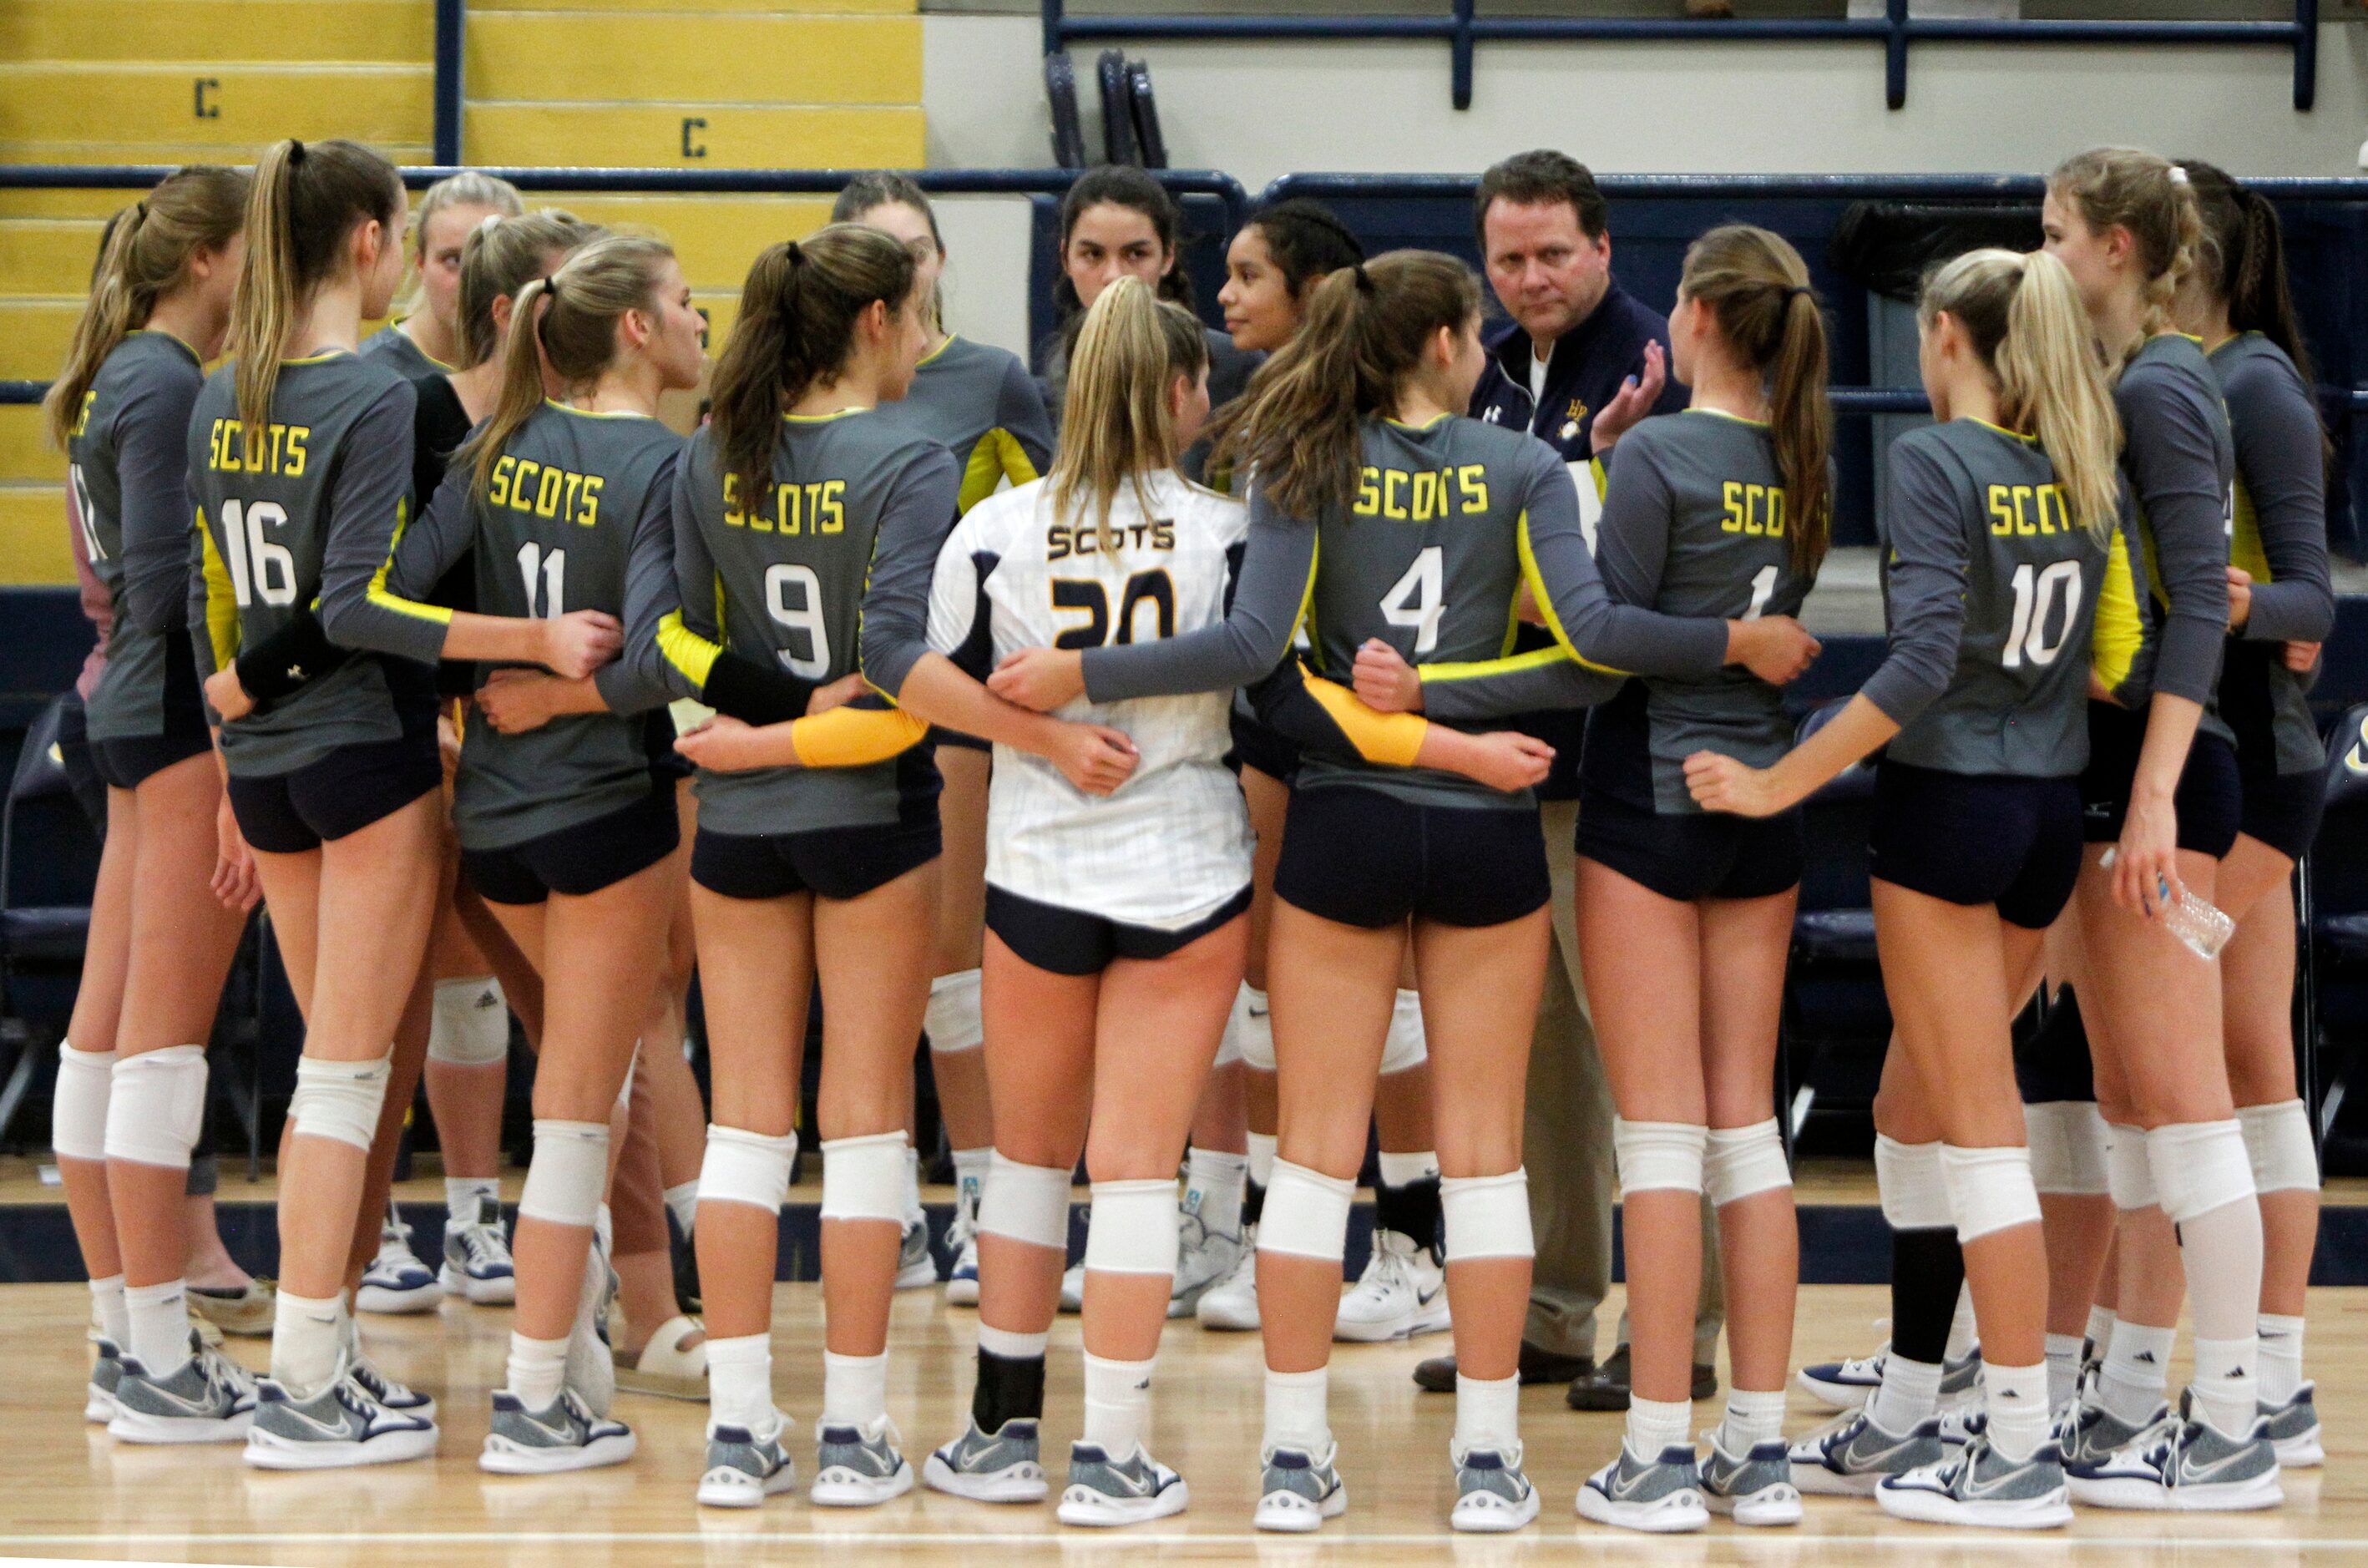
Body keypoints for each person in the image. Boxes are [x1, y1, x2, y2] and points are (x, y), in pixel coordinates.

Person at [990, 248, 1815, 1533]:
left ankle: (1295, 1456)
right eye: (1475, 324)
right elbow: (1591, 658)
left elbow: (1260, 657)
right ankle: (1489, 1461)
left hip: (1343, 826)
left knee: (1318, 1159)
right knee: (1484, 1163)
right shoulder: (1529, 466)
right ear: (1437, 342)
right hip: (1487, 829)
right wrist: (1461, 717)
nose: (1487, 341)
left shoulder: (1300, 455)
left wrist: (1099, 674)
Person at [1365, 225, 1829, 1530]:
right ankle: (1762, 1446)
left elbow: (1601, 646)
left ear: (1690, 317)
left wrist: (1438, 691)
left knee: (1662, 1134)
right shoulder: (1803, 455)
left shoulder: (1667, 449)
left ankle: (1663, 1452)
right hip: (1762, 806)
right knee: (1748, 1131)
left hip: (1649, 800)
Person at [1694, 245, 2123, 1525]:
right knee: (1914, 1102)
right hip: (2049, 808)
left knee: (1977, 1121)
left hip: (1951, 815)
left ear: (1942, 332)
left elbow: (1928, 658)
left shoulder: (1938, 460)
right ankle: (1907, 1405)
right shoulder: (2078, 461)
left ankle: (2019, 1441)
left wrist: (1784, 781)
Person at [328, 232, 704, 1472]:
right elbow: (655, 661)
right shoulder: (669, 464)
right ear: (636, 332)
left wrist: (505, 658)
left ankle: (579, 1363)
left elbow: (384, 601)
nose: (703, 321)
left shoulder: (493, 446)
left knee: (574, 1091)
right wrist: (558, 684)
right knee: (581, 1112)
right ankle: (537, 1398)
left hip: (488, 826)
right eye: (688, 304)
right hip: (607, 812)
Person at [645, 224, 959, 1510]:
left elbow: (668, 637)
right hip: (869, 807)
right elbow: (898, 679)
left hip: (738, 818)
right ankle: (855, 1433)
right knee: (867, 1122)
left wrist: (746, 733)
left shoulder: (707, 450)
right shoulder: (917, 455)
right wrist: (792, 723)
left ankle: (736, 1432)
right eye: (919, 312)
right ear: (875, 323)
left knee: (745, 1125)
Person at [1414, 148, 1724, 1409]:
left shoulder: (1662, 369)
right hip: (1506, 770)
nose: (1530, 277)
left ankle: (1683, 1329)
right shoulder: (1482, 376)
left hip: (1623, 774)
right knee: (1539, 1059)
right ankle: (1552, 1309)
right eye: (1508, 257)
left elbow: (1647, 587)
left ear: (1605, 248)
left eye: (1552, 253)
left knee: (1644, 1060)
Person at [186, 136, 444, 1468]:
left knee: (329, 1076)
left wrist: (229, 733)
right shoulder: (374, 393)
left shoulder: (215, 392)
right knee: (345, 1081)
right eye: (400, 228)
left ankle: (325, 1357)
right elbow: (350, 609)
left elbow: (200, 598)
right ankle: (302, 1381)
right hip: (356, 754)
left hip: (272, 776)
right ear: (365, 242)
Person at [2039, 145, 2281, 1511]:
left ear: (2118, 248)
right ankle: (2131, 1391)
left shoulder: (2168, 385)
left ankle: (2237, 1410)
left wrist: (2148, 799)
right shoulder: (2124, 383)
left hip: (2173, 777)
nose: (2046, 249)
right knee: (2131, 1099)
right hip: (2125, 763)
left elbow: (2202, 606)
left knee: (2188, 1103)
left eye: (2058, 229)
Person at [1188, 200, 1450, 1345]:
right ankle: (1252, 1230)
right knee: (1258, 999)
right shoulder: (1252, 420)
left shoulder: (1386, 433)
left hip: (1361, 729)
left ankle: (1413, 1244)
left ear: (1314, 293)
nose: (1227, 296)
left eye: (1250, 276)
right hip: (1268, 724)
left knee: (1381, 1004)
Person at [42, 164, 259, 1441]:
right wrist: (235, 766)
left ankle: (129, 1341)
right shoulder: (170, 382)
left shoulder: (115, 373)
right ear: (207, 262)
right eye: (252, 254)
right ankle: (163, 1357)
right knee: (159, 1042)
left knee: (108, 1034)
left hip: (122, 712)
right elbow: (179, 597)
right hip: (173, 721)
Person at [353, 210, 600, 1319]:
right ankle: (395, 1239)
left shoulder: (588, 428)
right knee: (402, 1007)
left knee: (589, 1016)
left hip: (552, 747)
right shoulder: (399, 398)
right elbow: (376, 598)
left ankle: (578, 1256)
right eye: (440, 252)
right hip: (433, 729)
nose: (453, 274)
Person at [835, 170, 1057, 1303]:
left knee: (952, 971)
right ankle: (881, 1211)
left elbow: (1051, 528)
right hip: (822, 702)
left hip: (946, 704)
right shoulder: (796, 386)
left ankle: (978, 1199)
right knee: (855, 979)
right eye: (880, 250)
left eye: (917, 247)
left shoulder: (988, 379)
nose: (904, 267)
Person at [2177, 159, 2335, 1469]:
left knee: (2246, 1066)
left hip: (2262, 762)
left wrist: (2237, 606)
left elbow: (2315, 599)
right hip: (2210, 746)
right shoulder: (2187, 376)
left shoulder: (2260, 385)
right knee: (2227, 1066)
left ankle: (2277, 1371)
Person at [1035, 167, 1259, 437]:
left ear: (1167, 257)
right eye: (1093, 254)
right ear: (1065, 259)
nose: (1114, 276)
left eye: (1136, 254)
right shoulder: (1063, 363)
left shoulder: (1231, 366)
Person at [359, 171, 523, 377]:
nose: (471, 280)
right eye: (453, 260)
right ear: (420, 263)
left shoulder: (539, 373)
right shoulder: (372, 376)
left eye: (490, 258)